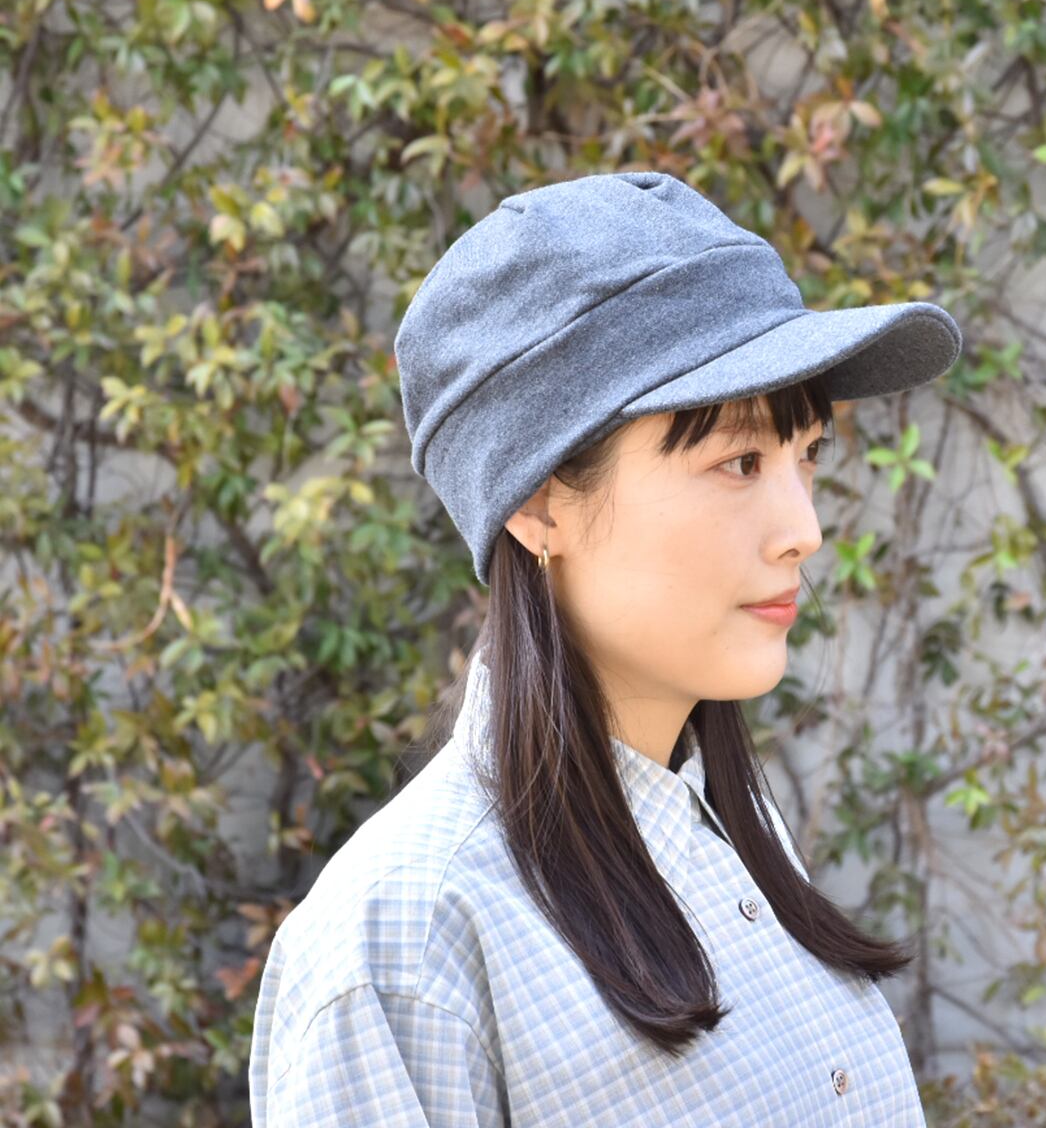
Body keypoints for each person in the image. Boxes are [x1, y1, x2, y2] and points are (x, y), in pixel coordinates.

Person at [247, 170, 962, 1126]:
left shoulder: (726, 825)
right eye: (739, 461)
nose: (805, 530)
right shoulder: (404, 947)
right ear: (540, 503)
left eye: (808, 456)